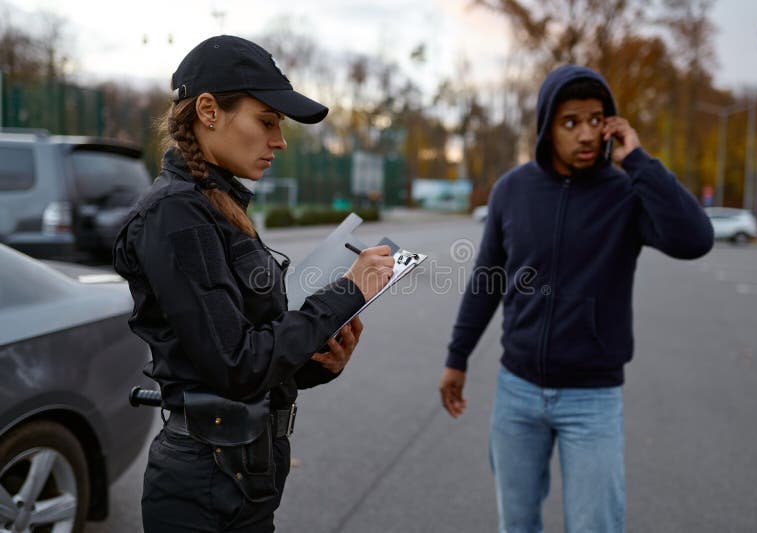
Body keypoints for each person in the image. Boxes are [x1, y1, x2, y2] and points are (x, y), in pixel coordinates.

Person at [113, 35, 395, 532]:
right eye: (267, 121)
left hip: (241, 476)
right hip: (203, 486)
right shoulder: (176, 215)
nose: (280, 141)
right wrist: (348, 291)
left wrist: (317, 363)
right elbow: (236, 366)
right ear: (208, 111)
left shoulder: (218, 204)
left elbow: (245, 357)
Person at [438, 65, 714, 533]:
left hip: (593, 398)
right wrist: (457, 357)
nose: (586, 134)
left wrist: (640, 162)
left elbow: (695, 239)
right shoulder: (512, 190)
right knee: (517, 524)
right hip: (517, 391)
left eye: (595, 119)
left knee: (596, 525)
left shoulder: (627, 193)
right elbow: (487, 278)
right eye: (571, 122)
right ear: (548, 128)